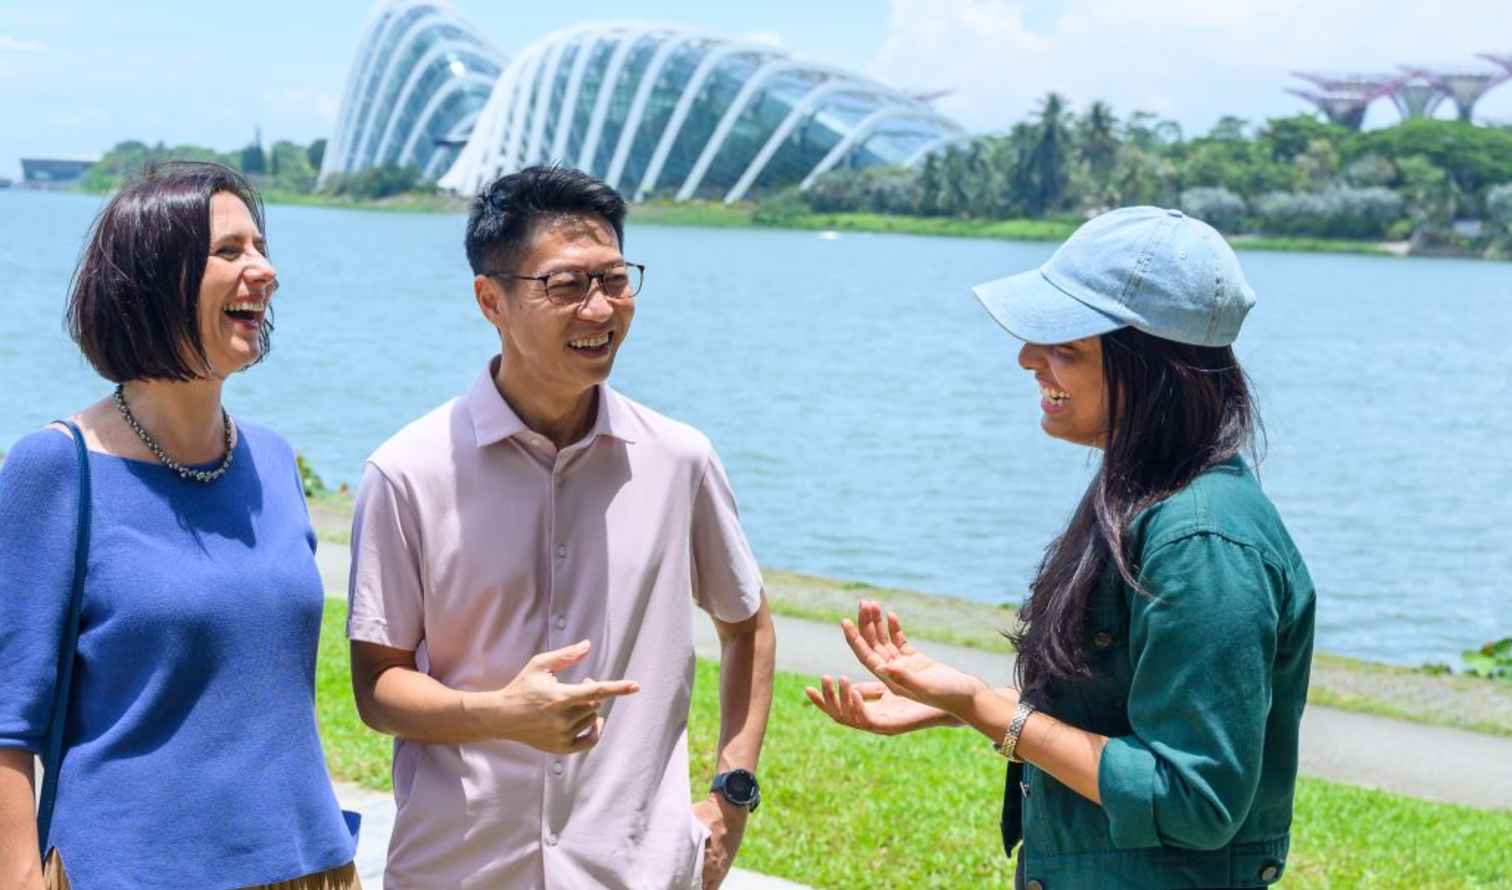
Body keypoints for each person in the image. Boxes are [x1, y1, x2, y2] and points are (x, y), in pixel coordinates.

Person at [806, 207, 1316, 889]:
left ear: (1156, 372)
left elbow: (1195, 799)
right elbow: (1122, 699)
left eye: (1066, 349)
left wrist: (988, 709)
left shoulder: (1202, 542)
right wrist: (956, 705)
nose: (1027, 359)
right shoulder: (1147, 493)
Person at [346, 165, 776, 890]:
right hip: (457, 869)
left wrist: (732, 794)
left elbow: (748, 625)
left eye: (615, 279)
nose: (600, 308)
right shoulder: (407, 472)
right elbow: (377, 689)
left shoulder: (678, 459)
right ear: (492, 300)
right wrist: (501, 714)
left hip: (634, 869)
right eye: (566, 285)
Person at [0, 162, 360, 889]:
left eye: (260, 247)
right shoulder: (56, 469)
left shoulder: (273, 459)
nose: (264, 271)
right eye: (230, 252)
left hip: (308, 866)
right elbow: (8, 727)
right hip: (127, 873)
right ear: (152, 280)